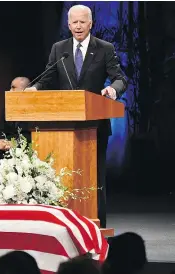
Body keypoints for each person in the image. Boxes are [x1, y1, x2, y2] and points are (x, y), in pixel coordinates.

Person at [26, 5, 128, 227]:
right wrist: (35, 89)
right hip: (63, 126)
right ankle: (64, 227)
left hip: (95, 124)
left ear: (91, 24)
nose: (79, 26)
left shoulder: (104, 48)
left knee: (95, 179)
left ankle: (96, 226)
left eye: (83, 22)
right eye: (75, 22)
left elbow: (120, 78)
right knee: (64, 176)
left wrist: (112, 90)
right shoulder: (59, 49)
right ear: (68, 24)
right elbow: (47, 77)